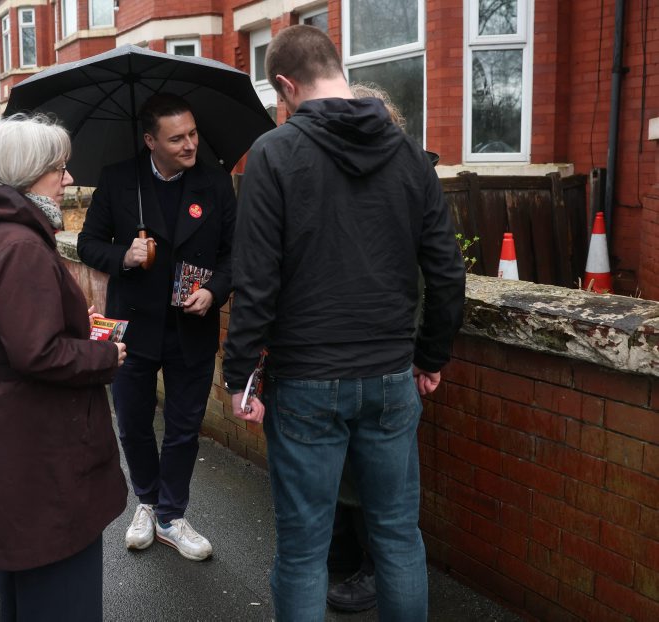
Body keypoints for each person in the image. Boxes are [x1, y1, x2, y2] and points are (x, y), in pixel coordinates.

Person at [222, 25, 466, 622]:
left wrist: (240, 375)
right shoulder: (409, 154)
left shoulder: (274, 153)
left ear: (286, 85)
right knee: (398, 537)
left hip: (305, 381)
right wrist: (430, 356)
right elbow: (446, 270)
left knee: (303, 550)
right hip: (390, 377)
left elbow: (256, 280)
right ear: (338, 69)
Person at [0, 113, 128, 621]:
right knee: (60, 584)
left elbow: (18, 333)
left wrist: (71, 321)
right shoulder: (18, 244)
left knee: (28, 587)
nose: (68, 179)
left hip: (14, 432)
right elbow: (37, 353)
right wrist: (105, 354)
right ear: (29, 173)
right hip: (42, 442)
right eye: (59, 168)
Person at [77, 93, 236, 561]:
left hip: (192, 325)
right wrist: (123, 256)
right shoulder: (118, 180)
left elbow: (234, 253)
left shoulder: (214, 182)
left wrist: (214, 292)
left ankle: (171, 514)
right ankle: (147, 501)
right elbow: (87, 243)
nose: (190, 144)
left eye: (193, 133)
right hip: (129, 325)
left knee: (184, 427)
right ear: (150, 141)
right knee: (132, 422)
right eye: (177, 138)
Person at [324, 81, 409, 615]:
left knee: (377, 484)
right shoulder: (386, 177)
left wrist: (424, 354)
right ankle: (350, 557)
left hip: (384, 357)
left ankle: (373, 571)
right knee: (350, 471)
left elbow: (426, 274)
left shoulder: (402, 179)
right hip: (369, 355)